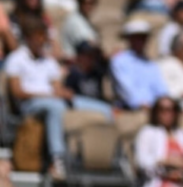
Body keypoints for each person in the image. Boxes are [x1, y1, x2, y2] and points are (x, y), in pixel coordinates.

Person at [5, 17, 113, 179]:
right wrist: (49, 95)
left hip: (53, 99)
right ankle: (57, 158)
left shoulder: (48, 61)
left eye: (43, 36)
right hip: (29, 104)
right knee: (55, 107)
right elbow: (17, 92)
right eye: (38, 36)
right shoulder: (16, 59)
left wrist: (63, 92)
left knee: (104, 109)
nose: (42, 40)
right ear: (28, 37)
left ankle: (106, 156)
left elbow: (56, 87)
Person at [135, 97, 183, 187]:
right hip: (160, 181)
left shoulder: (182, 134)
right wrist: (166, 161)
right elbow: (142, 162)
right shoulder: (147, 132)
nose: (167, 113)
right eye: (162, 109)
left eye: (172, 110)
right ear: (155, 112)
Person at [110, 20, 169, 110]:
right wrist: (142, 104)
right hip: (129, 110)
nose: (140, 41)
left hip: (153, 110)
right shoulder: (119, 61)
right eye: (137, 37)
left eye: (143, 38)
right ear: (129, 39)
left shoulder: (152, 64)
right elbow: (125, 90)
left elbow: (161, 89)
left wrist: (163, 103)